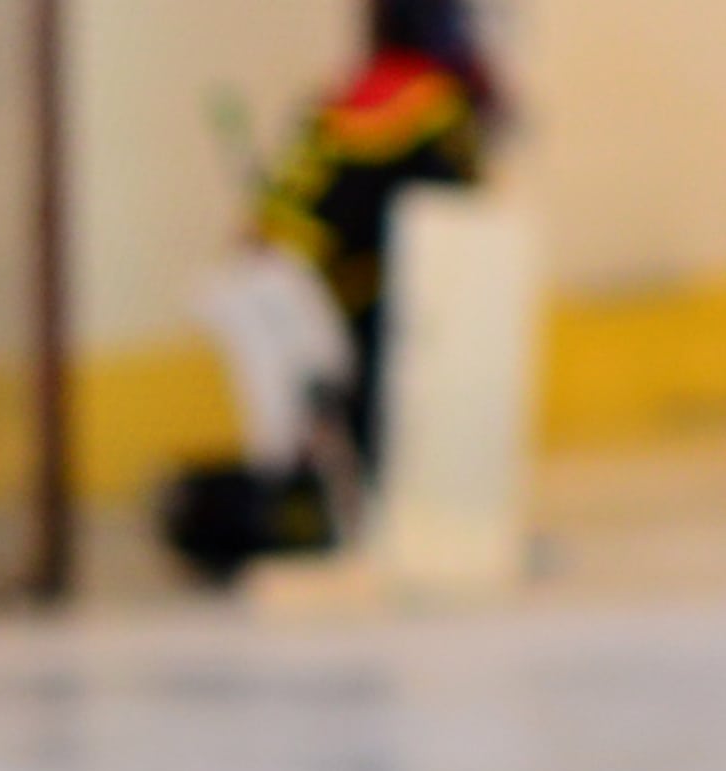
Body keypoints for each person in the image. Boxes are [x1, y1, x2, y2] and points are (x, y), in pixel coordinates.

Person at [162, 0, 505, 586]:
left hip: (261, 279)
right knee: (369, 398)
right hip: (318, 291)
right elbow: (452, 227)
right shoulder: (434, 103)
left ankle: (314, 524)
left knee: (298, 421)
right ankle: (366, 528)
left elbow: (278, 209)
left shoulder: (340, 95)